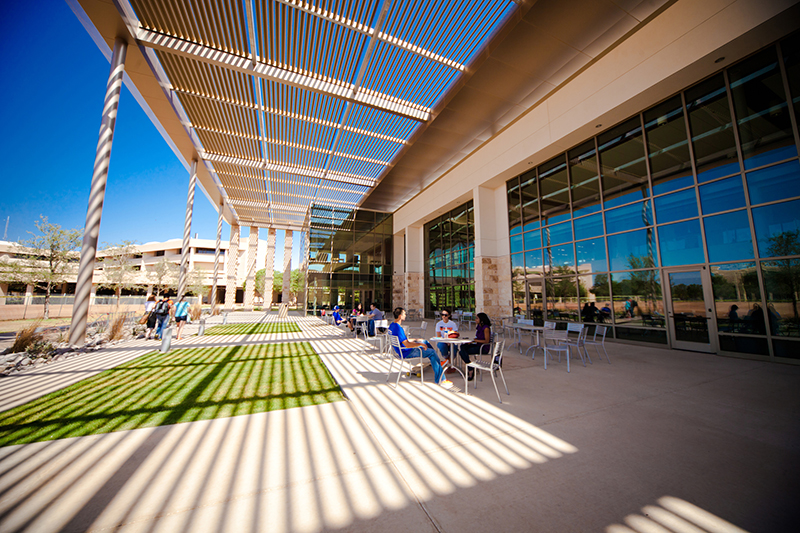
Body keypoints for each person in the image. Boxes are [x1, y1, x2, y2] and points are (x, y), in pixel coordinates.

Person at [389, 307, 451, 387]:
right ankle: (441, 379)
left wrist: (417, 340)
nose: (406, 315)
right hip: (406, 352)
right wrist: (420, 344)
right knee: (432, 353)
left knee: (425, 341)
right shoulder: (399, 329)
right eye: (404, 314)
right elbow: (407, 344)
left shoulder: (392, 326)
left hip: (400, 351)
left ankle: (436, 364)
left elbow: (403, 341)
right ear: (400, 316)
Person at [459, 313, 493, 381]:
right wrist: (471, 341)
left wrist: (475, 340)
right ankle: (470, 365)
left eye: (477, 318)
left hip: (483, 348)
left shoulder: (486, 328)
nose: (475, 319)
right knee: (463, 346)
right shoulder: (479, 326)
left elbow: (487, 341)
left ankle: (470, 369)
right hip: (477, 344)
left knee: (462, 352)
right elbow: (477, 338)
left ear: (481, 319)